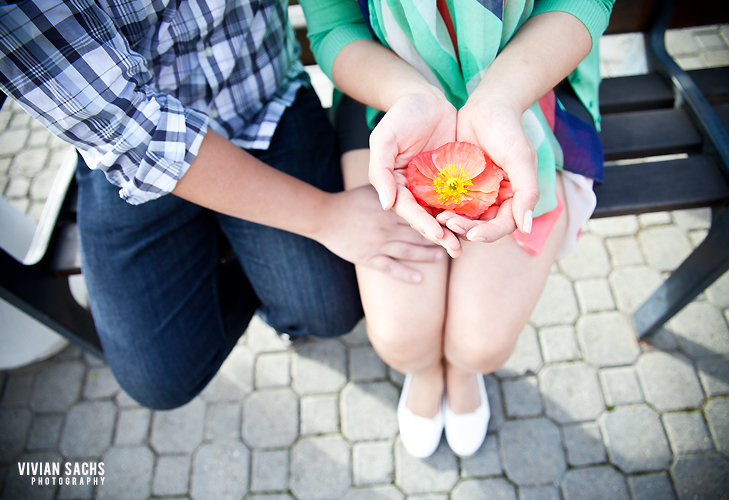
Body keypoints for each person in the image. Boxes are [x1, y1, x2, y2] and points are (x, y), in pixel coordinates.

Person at [0, 0, 442, 410]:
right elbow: (133, 132)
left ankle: (271, 285)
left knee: (330, 308)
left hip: (263, 104)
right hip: (135, 158)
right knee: (160, 379)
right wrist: (326, 216)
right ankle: (260, 263)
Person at [299, 0, 613, 457]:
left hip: (530, 81)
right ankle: (425, 371)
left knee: (482, 346)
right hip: (384, 89)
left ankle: (463, 371)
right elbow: (334, 28)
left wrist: (502, 97)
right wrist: (409, 95)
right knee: (400, 340)